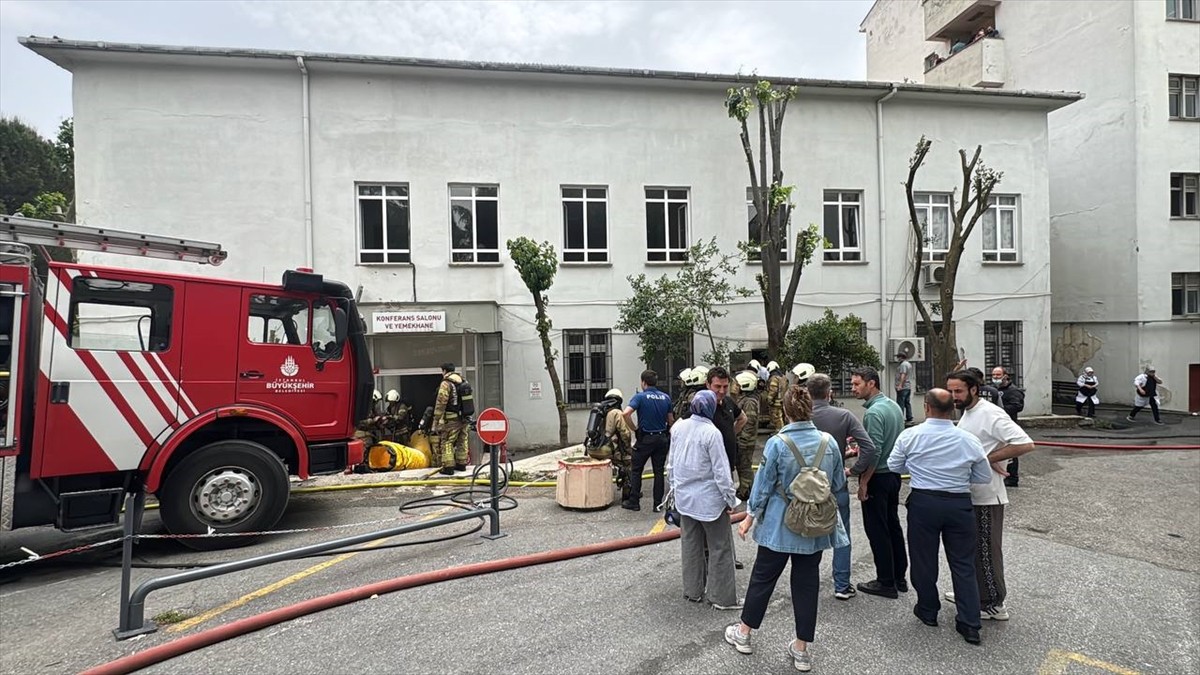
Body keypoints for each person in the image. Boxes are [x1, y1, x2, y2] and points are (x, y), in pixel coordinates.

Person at [724, 384, 848, 672]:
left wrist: (749, 516)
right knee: (807, 584)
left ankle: (744, 633)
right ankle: (802, 649)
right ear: (810, 409)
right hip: (815, 524)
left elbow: (764, 484)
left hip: (780, 523)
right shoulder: (828, 442)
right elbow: (839, 482)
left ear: (786, 410)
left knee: (763, 579)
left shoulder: (778, 443)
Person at [888, 389, 991, 646]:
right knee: (963, 564)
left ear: (926, 407)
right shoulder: (968, 440)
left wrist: (918, 468)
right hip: (959, 504)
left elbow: (894, 465)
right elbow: (983, 476)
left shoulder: (910, 436)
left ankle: (928, 609)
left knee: (924, 560)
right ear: (953, 409)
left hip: (924, 502)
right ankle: (969, 623)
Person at [945, 369, 1035, 622]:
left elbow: (1025, 444)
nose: (953, 396)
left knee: (985, 551)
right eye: (950, 391)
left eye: (958, 391)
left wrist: (987, 459)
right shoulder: (968, 413)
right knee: (971, 549)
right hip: (969, 494)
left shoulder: (991, 413)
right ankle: (974, 592)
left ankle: (994, 603)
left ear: (974, 389)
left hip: (987, 496)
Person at [670, 389, 741, 610]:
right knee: (720, 547)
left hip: (685, 499)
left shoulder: (678, 427)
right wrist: (730, 499)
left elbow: (671, 464)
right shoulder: (712, 433)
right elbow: (721, 472)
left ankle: (693, 591)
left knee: (690, 545)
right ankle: (721, 598)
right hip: (710, 502)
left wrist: (673, 491)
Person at [807, 373, 876, 600]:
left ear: (808, 393)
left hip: (807, 486)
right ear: (830, 393)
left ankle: (807, 583)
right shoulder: (844, 416)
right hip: (836, 484)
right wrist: (855, 470)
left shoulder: (801, 416)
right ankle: (842, 585)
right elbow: (869, 447)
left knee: (809, 532)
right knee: (842, 534)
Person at [851, 366, 909, 599]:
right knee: (892, 526)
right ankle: (899, 577)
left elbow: (873, 451)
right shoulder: (893, 405)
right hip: (893, 475)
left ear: (871, 383)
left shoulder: (874, 413)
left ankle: (885, 581)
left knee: (878, 530)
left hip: (879, 476)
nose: (853, 388)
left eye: (857, 384)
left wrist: (863, 480)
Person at [621, 370, 673, 511]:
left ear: (643, 382)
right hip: (661, 438)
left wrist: (635, 429)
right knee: (658, 471)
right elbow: (671, 420)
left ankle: (634, 501)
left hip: (645, 438)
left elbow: (626, 413)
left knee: (637, 470)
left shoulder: (640, 397)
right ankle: (657, 504)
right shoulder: (666, 397)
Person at [586, 388, 633, 503]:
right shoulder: (616, 413)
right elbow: (625, 433)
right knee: (629, 463)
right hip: (606, 450)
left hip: (592, 449)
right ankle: (628, 494)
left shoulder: (599, 411)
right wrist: (628, 449)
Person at [431, 362, 469, 475]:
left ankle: (448, 468)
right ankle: (461, 464)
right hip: (464, 418)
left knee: (447, 441)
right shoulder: (463, 381)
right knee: (462, 441)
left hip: (451, 420)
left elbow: (441, 402)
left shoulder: (446, 383)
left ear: (444, 371)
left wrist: (436, 419)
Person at [991, 366, 1025, 487]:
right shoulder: (992, 389)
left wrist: (1001, 410)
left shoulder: (1014, 391)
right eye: (993, 375)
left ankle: (1012, 477)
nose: (995, 377)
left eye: (998, 375)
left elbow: (1018, 406)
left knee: (1010, 452)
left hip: (1008, 424)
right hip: (994, 425)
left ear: (1005, 375)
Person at [731, 371, 761, 502]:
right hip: (743, 440)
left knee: (745, 466)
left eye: (737, 384)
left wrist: (742, 441)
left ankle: (746, 491)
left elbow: (749, 424)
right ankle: (745, 488)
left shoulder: (749, 402)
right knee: (742, 465)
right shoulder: (745, 400)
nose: (734, 386)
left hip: (746, 441)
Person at [764, 361, 787, 432]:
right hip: (783, 401)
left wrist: (769, 399)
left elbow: (773, 390)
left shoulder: (774, 378)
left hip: (776, 402)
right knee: (781, 417)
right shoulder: (783, 377)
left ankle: (779, 432)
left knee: (777, 418)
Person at [894, 352, 914, 424]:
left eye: (898, 357)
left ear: (901, 357)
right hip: (908, 387)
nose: (897, 359)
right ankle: (909, 417)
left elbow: (903, 375)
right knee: (907, 403)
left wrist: (900, 385)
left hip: (903, 387)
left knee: (900, 403)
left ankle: (900, 418)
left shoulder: (903, 365)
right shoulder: (908, 364)